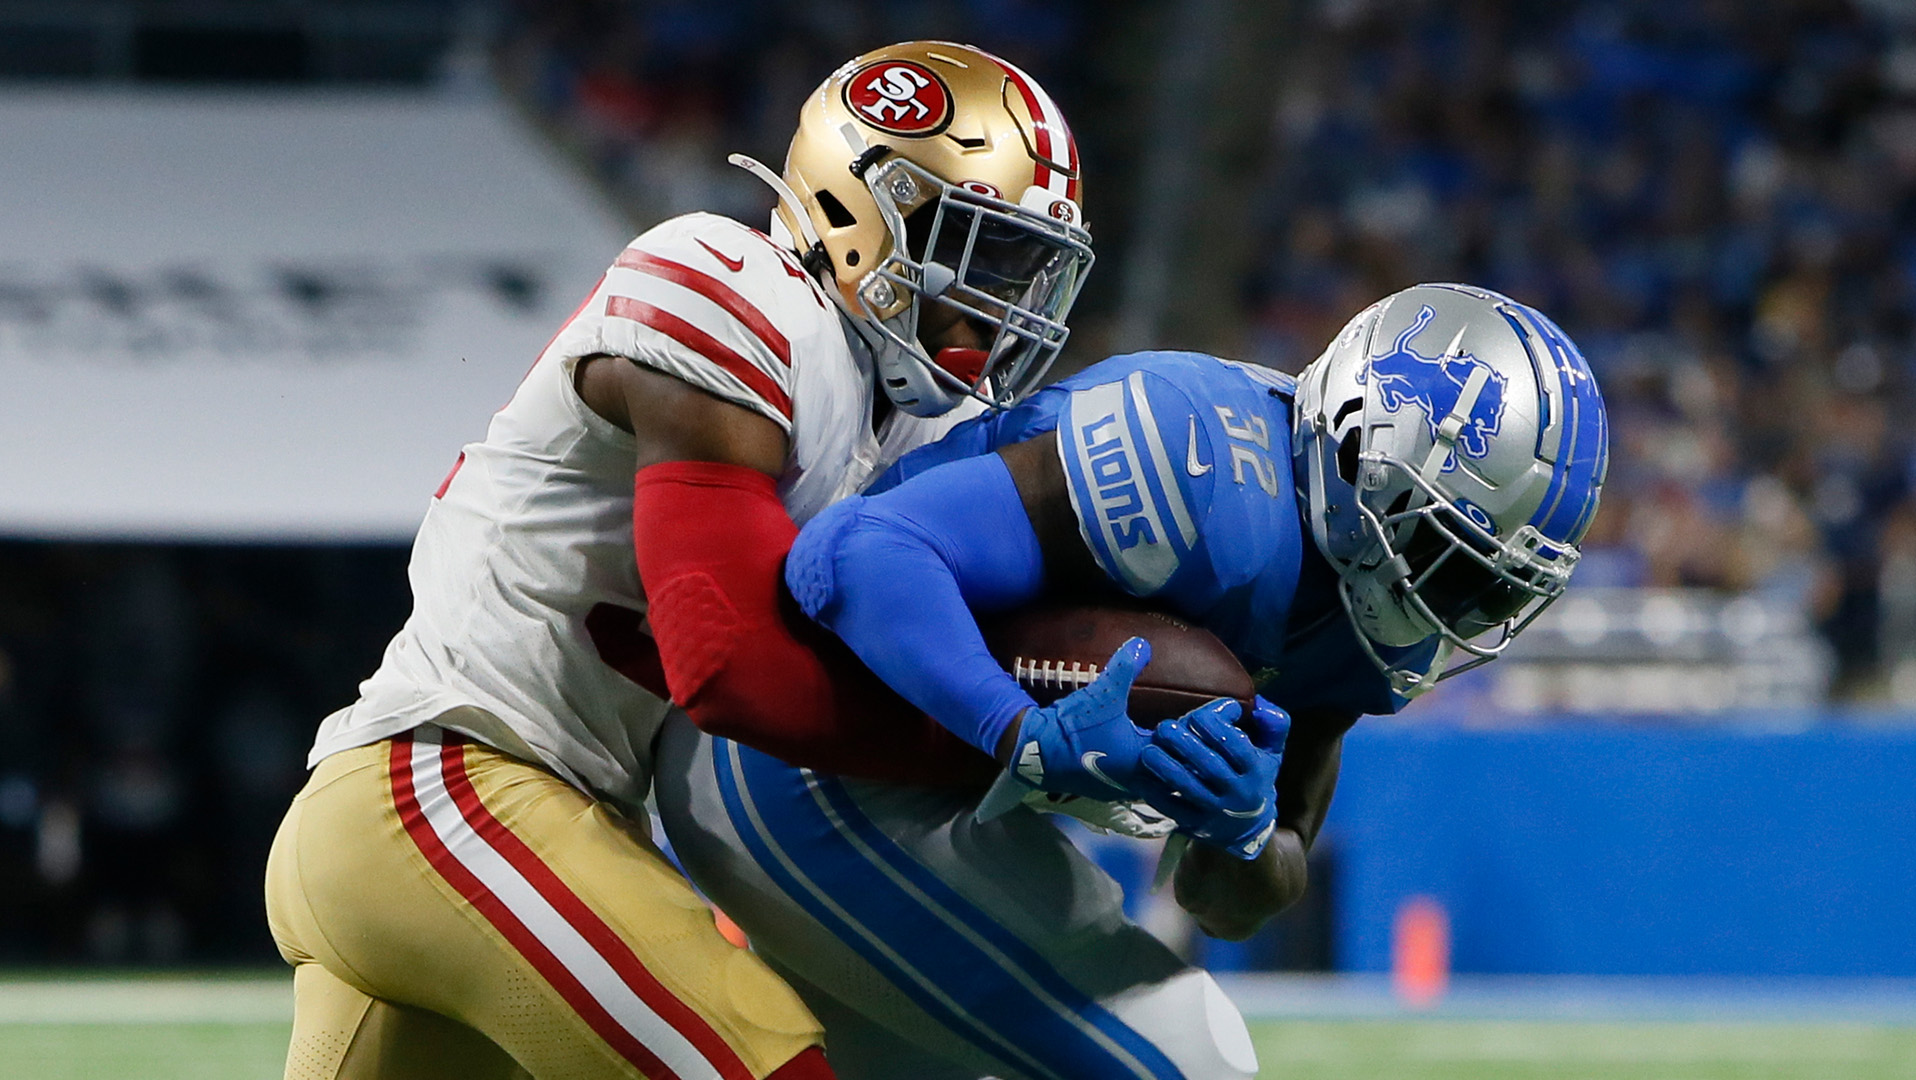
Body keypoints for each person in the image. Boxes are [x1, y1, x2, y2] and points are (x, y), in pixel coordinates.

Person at [263, 41, 1222, 1080]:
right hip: (446, 793)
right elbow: (730, 666)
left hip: (530, 828)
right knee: (769, 1061)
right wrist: (1012, 739)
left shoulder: (893, 426)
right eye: (979, 254)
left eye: (1025, 268)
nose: (1000, 302)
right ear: (863, 214)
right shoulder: (730, 288)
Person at [653, 283, 1611, 1080]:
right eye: (1453, 560)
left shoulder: (1359, 618)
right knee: (1186, 1059)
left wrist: (1240, 833)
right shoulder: (1195, 462)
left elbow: (1228, 897)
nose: (1462, 609)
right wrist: (1016, 732)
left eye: (1494, 588)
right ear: (1366, 452)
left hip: (930, 791)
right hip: (808, 746)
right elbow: (850, 554)